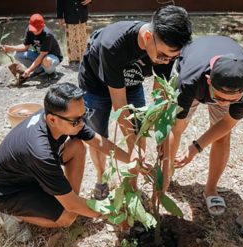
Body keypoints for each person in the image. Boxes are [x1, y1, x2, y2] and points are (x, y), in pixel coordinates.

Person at [0, 82, 137, 243]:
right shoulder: (41, 152)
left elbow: (97, 141)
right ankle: (13, 215)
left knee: (77, 147)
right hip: (7, 191)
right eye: (76, 121)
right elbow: (72, 207)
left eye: (84, 116)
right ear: (52, 119)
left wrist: (132, 159)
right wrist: (114, 215)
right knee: (68, 217)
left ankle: (68, 197)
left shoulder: (62, 118)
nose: (81, 123)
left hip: (30, 174)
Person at [78, 5, 192, 199]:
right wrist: (134, 144)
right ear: (148, 37)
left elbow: (159, 97)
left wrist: (162, 142)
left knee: (139, 134)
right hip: (96, 85)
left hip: (131, 85)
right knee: (98, 135)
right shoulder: (113, 45)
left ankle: (132, 185)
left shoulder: (168, 50)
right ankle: (101, 177)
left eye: (173, 57)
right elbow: (120, 105)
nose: (166, 61)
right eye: (163, 56)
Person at [165, 36, 243, 216]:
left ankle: (210, 189)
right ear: (209, 80)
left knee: (222, 136)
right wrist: (165, 175)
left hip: (218, 63)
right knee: (174, 127)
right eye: (220, 98)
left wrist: (195, 147)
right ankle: (165, 177)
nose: (225, 104)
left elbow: (227, 123)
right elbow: (176, 129)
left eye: (233, 100)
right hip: (193, 74)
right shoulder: (188, 81)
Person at [2, 13, 62, 80]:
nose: (35, 32)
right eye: (34, 29)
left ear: (43, 26)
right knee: (17, 54)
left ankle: (51, 73)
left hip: (52, 57)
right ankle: (39, 70)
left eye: (38, 30)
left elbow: (42, 55)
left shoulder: (47, 35)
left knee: (46, 60)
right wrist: (11, 48)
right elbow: (25, 46)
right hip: (38, 54)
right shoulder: (29, 30)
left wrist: (29, 70)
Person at [56, 0, 92, 64]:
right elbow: (60, 2)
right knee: (71, 38)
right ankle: (74, 58)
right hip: (70, 15)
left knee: (83, 37)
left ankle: (84, 56)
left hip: (82, 14)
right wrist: (60, 17)